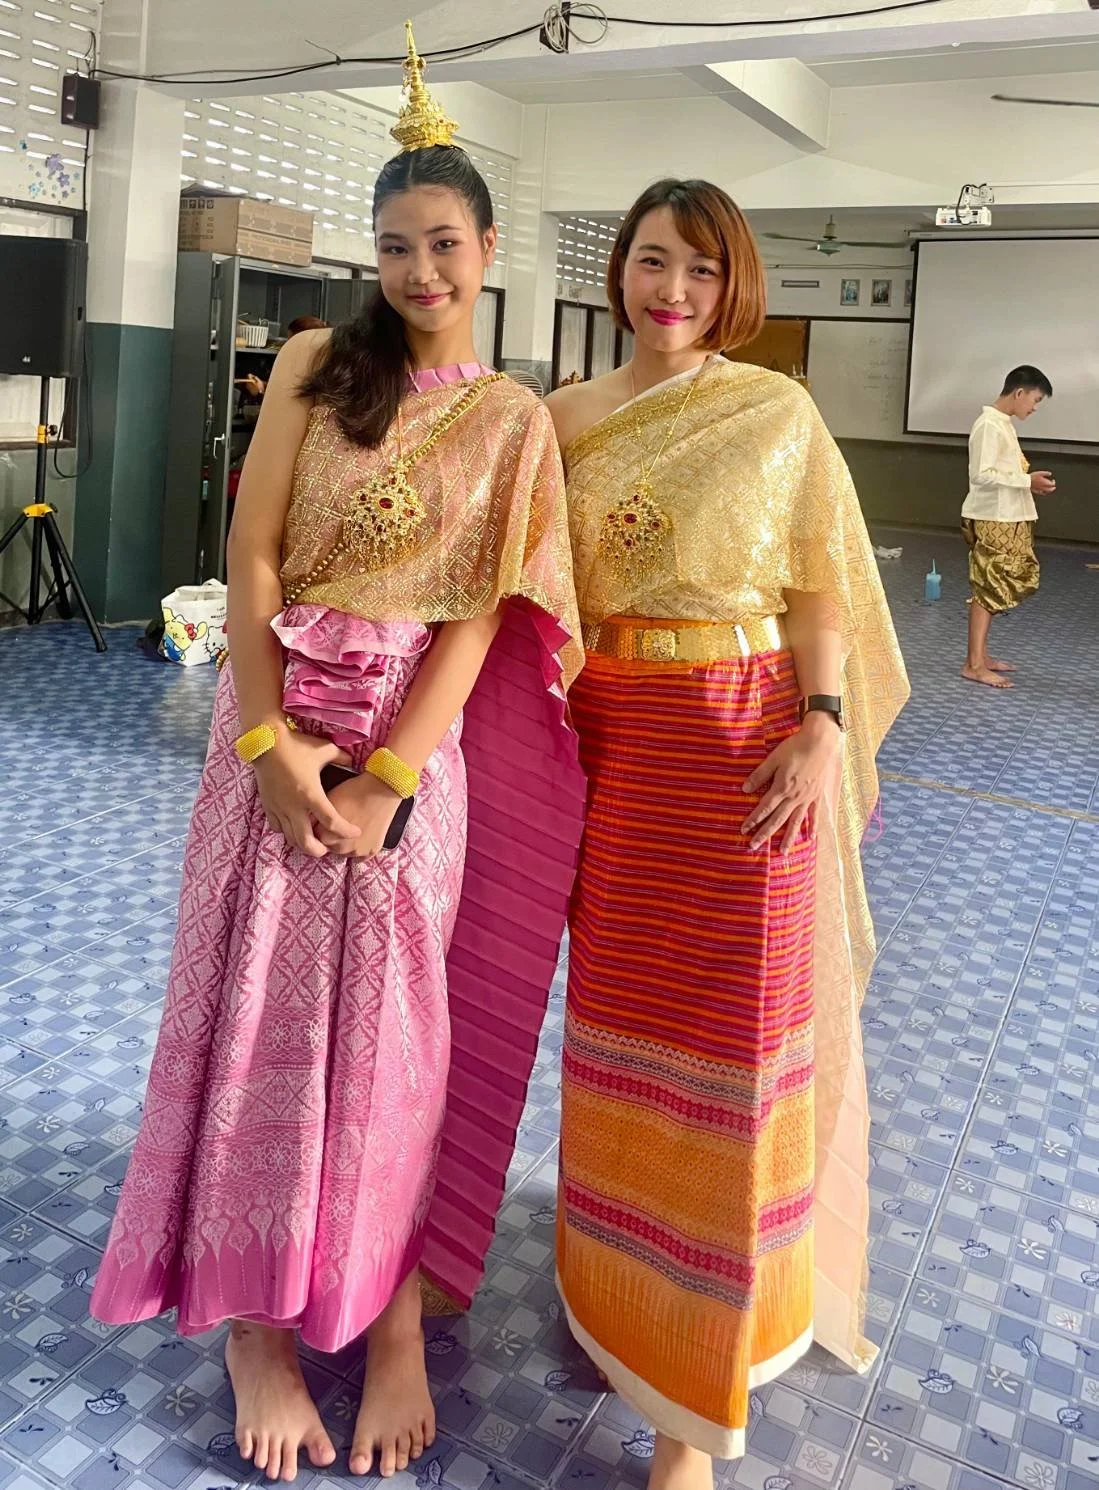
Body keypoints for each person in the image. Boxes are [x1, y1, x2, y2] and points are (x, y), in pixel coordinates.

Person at [90, 27, 585, 1485]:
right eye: (393, 246)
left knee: (390, 1041)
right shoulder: (316, 358)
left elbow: (486, 615)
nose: (418, 271)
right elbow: (246, 562)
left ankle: (379, 1328)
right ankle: (251, 1324)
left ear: (486, 247)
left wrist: (387, 779)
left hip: (404, 765)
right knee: (246, 1020)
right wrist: (261, 743)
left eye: (441, 243)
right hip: (270, 732)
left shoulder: (510, 423)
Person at [545, 179, 908, 1490]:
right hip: (612, 756)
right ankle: (614, 1297)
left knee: (734, 1054)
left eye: (700, 270)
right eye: (650, 260)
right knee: (612, 1040)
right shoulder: (563, 419)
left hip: (748, 756)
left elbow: (819, 590)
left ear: (732, 285)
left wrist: (820, 720)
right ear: (617, 269)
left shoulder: (776, 413)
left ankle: (688, 1419)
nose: (673, 291)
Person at [960, 365, 1054, 689]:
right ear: (1019, 393)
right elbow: (981, 475)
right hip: (993, 518)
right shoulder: (988, 425)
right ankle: (973, 664)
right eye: (1035, 399)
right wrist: (1026, 480)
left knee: (997, 584)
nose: (1034, 407)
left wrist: (1028, 484)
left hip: (1007, 518)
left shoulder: (1003, 424)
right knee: (989, 586)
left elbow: (1005, 474)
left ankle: (980, 656)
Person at [236, 318, 331, 400]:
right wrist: (263, 385)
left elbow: (294, 403)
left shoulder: (318, 371)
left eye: (292, 341)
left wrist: (261, 391)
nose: (288, 345)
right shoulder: (316, 363)